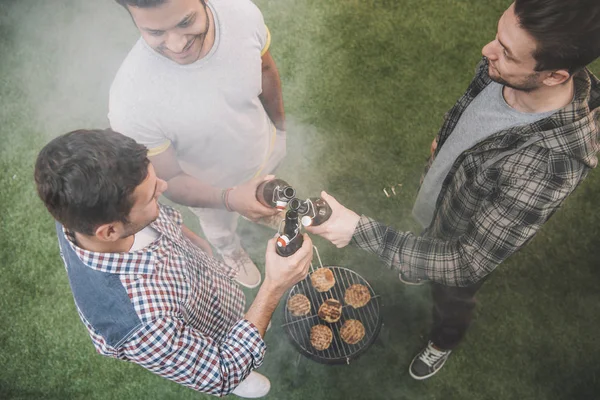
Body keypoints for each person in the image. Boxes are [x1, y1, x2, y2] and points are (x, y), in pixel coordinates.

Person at [307, 0, 600, 381]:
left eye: (506, 52)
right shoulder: (503, 69)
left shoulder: (552, 164)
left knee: (452, 297)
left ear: (553, 76)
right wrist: (448, 146)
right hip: (444, 200)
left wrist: (356, 230)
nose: (487, 51)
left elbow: (468, 261)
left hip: (461, 249)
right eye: (498, 36)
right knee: (424, 234)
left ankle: (443, 342)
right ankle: (416, 262)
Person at [34, 129, 313, 398]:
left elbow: (156, 214)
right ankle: (245, 379)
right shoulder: (141, 325)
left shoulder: (78, 208)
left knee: (239, 317)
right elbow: (222, 372)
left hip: (208, 295)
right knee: (233, 369)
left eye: (155, 181)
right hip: (209, 341)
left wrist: (192, 239)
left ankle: (243, 324)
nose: (164, 188)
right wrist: (273, 287)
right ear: (109, 232)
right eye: (152, 195)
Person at [108, 0, 288, 289]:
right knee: (221, 230)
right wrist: (230, 199)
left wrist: (279, 130)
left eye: (185, 22)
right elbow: (173, 179)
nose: (177, 45)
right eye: (155, 32)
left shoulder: (241, 13)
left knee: (268, 192)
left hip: (263, 149)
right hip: (211, 190)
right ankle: (231, 251)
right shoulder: (130, 100)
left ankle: (262, 212)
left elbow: (265, 70)